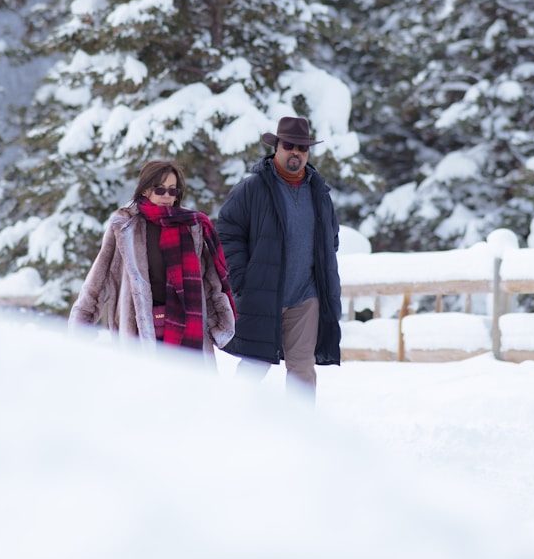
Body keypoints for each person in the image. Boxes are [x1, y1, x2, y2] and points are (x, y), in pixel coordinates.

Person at [216, 117, 341, 395]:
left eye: (302, 148)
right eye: (289, 145)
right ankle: (230, 421)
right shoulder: (253, 188)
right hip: (263, 293)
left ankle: (300, 430)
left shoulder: (318, 191)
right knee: (254, 364)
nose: (296, 152)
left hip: (306, 298)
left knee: (302, 368)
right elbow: (226, 231)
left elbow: (331, 236)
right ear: (277, 148)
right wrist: (242, 276)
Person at [69, 160, 236, 353]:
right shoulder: (125, 225)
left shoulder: (192, 226)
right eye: (160, 189)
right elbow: (100, 277)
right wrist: (82, 323)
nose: (166, 195)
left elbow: (208, 279)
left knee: (185, 381)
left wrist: (220, 320)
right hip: (138, 331)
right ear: (145, 190)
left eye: (172, 190)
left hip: (188, 327)